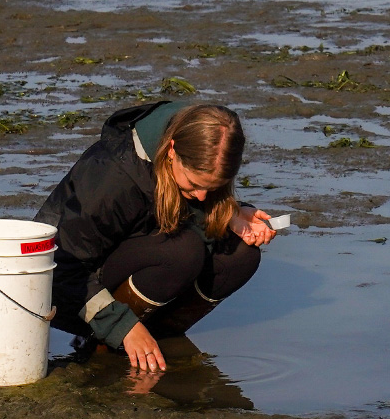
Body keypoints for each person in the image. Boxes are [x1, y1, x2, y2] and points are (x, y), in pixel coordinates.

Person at [34, 100, 278, 375]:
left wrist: (230, 212)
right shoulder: (113, 175)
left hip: (136, 258)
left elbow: (183, 208)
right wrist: (120, 325)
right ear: (172, 150)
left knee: (241, 254)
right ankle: (103, 341)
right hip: (70, 290)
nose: (201, 196)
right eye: (195, 184)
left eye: (214, 188)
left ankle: (155, 341)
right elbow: (63, 267)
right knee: (182, 252)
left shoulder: (189, 157)